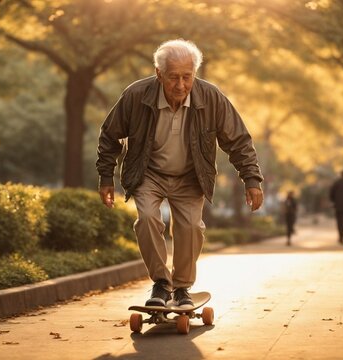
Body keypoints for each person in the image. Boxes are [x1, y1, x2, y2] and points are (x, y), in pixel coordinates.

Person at [96, 39, 263, 308]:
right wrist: (106, 176)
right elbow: (110, 135)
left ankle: (182, 287)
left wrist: (251, 179)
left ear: (195, 73)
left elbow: (238, 140)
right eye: (173, 77)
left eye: (187, 77)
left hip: (190, 175)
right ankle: (161, 284)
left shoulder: (211, 97)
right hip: (148, 172)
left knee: (191, 228)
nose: (181, 85)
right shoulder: (136, 95)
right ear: (159, 73)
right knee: (148, 219)